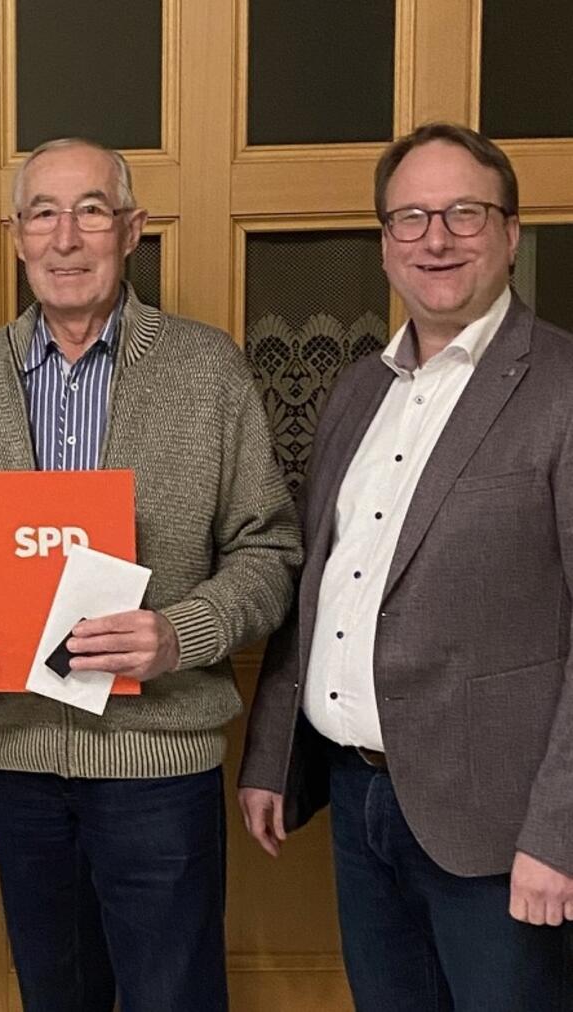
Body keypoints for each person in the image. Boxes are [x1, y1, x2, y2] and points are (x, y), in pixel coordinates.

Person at [0, 137, 301, 1011]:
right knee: (57, 997)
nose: (66, 237)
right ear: (15, 237)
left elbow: (269, 551)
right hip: (16, 760)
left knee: (174, 998)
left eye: (91, 210)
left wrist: (181, 633)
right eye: (42, 214)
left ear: (132, 229)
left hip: (157, 762)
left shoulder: (207, 369)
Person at [239, 123, 573, 1010]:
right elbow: (319, 586)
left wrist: (561, 835)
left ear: (510, 232)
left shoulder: (563, 387)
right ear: (386, 244)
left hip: (502, 835)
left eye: (464, 212)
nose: (436, 238)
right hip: (361, 803)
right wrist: (272, 755)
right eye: (411, 217)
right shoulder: (359, 390)